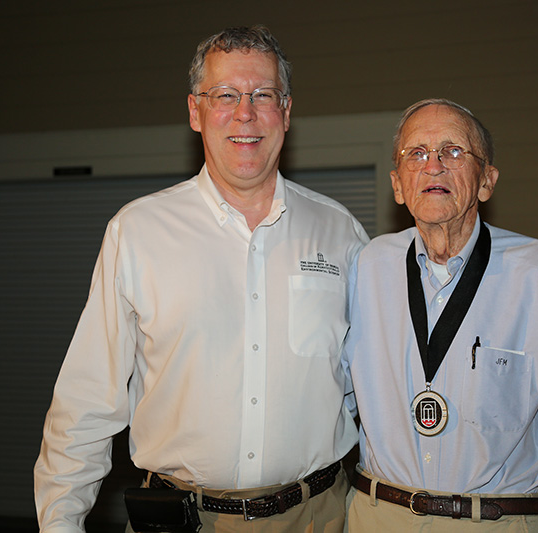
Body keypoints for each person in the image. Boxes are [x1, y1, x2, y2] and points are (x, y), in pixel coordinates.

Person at [34, 26, 368, 532]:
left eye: (264, 95)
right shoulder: (137, 232)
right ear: (195, 111)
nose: (245, 113)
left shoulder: (341, 233)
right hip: (178, 521)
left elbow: (372, 393)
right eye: (225, 96)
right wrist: (60, 524)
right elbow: (85, 402)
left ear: (288, 111)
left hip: (316, 518)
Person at [342, 99, 538, 531]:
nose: (433, 166)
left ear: (486, 181)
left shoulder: (536, 274)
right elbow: (329, 393)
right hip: (379, 518)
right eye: (415, 153)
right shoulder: (365, 268)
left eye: (454, 151)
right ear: (397, 185)